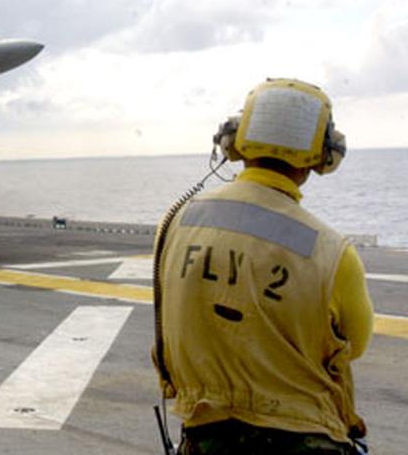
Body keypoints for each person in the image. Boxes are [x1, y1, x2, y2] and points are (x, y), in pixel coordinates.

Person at [152, 78, 374, 454]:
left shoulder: (175, 224)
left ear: (233, 140)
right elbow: (354, 345)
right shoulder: (333, 253)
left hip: (206, 438)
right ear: (325, 156)